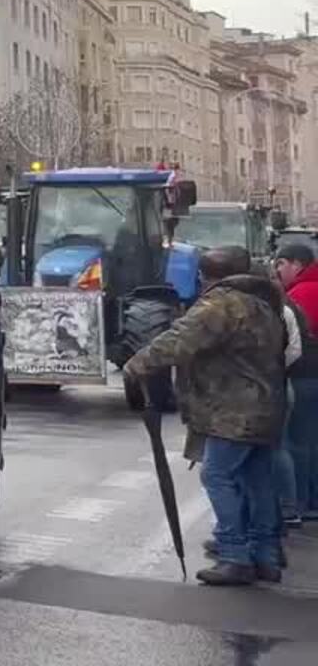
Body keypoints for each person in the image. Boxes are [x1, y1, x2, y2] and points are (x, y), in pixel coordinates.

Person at [126, 245, 290, 586]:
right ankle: (266, 555)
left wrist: (137, 363)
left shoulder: (221, 305)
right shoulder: (265, 304)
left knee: (217, 476)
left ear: (206, 277)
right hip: (266, 406)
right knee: (257, 480)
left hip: (233, 410)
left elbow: (179, 340)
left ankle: (234, 555)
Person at [275, 243, 318, 524]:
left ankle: (300, 503)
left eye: (281, 264)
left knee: (297, 444)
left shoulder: (303, 293)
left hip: (305, 376)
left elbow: (295, 345)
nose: (278, 271)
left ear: (296, 264)